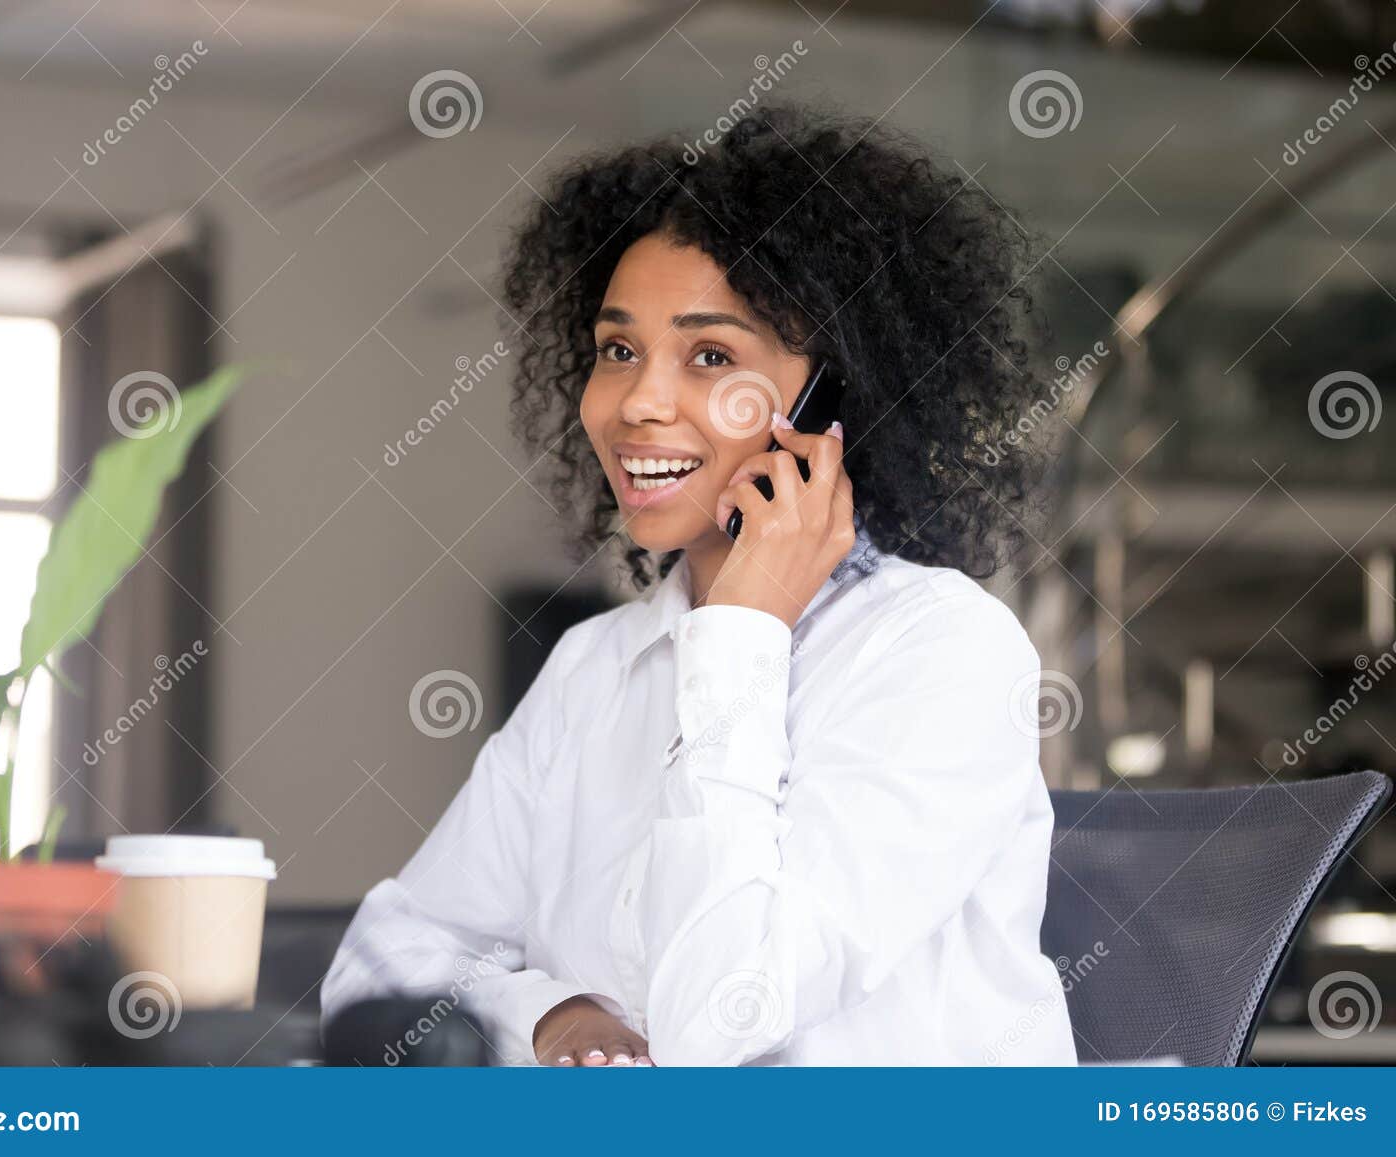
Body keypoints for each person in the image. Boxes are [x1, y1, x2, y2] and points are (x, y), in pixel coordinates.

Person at [320, 104, 1076, 1066]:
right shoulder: (598, 666)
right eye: (618, 349)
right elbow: (383, 968)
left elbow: (721, 1020)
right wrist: (553, 1016)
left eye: (711, 356)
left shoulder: (942, 651)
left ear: (829, 405)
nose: (638, 401)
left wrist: (743, 631)